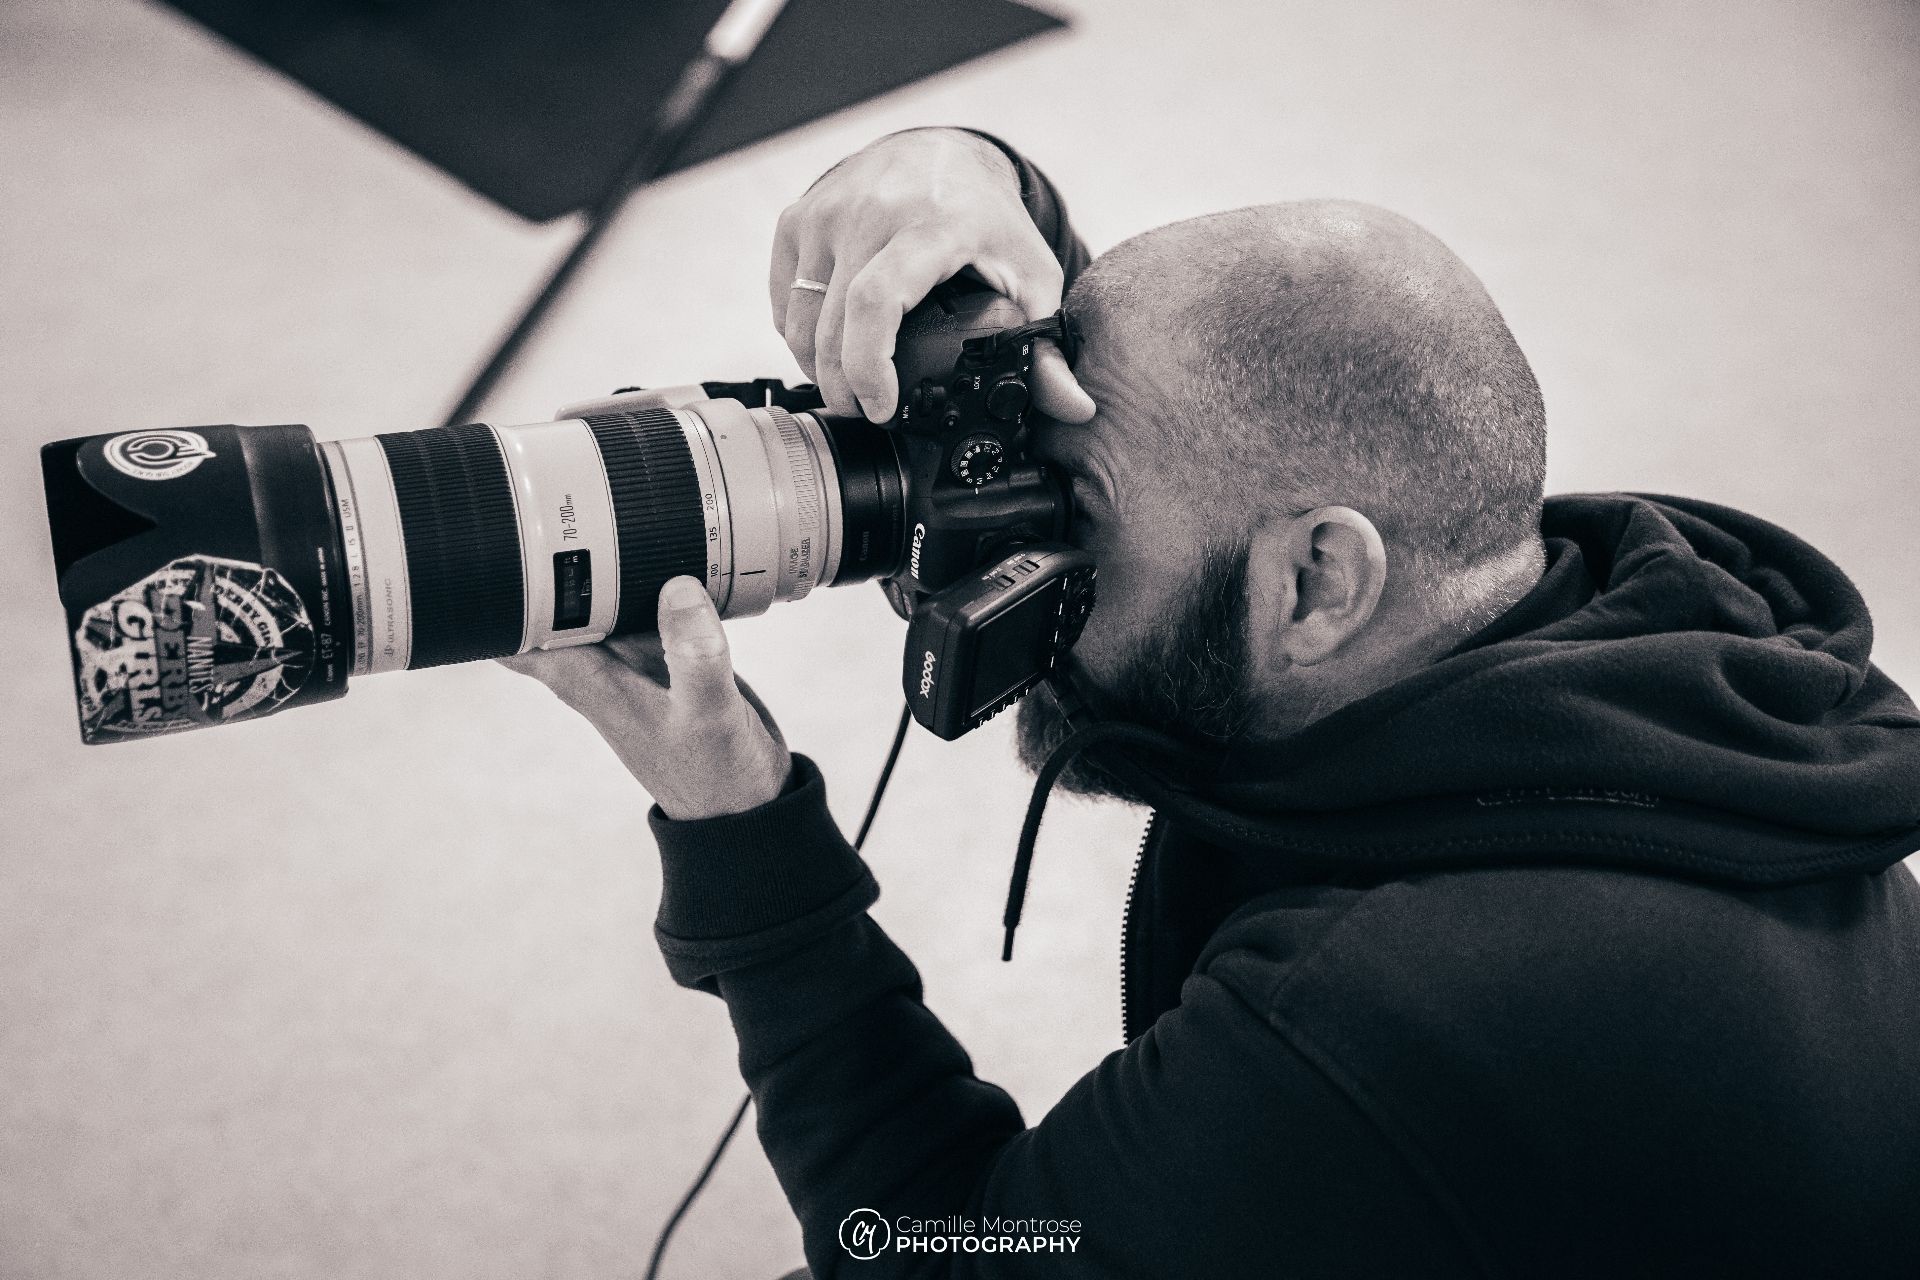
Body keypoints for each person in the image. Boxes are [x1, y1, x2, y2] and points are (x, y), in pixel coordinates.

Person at [502, 129, 1920, 1276]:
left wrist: (744, 829)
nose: (1003, 535)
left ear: (1315, 581)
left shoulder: (1372, 1019)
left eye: (1077, 502)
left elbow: (925, 1246)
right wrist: (975, 172)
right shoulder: (1672, 634)